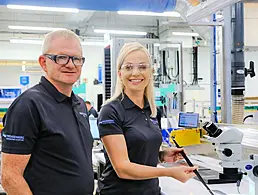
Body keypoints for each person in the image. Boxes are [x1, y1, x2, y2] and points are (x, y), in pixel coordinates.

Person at [1, 30, 94, 195]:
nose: (71, 64)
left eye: (76, 59)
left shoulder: (79, 104)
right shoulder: (28, 105)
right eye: (61, 57)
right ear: (43, 62)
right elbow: (10, 176)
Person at [97, 42, 197, 195]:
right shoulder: (111, 111)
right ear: (119, 73)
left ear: (151, 72)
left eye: (142, 67)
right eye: (128, 67)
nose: (136, 73)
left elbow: (137, 154)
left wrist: (161, 156)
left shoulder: (152, 110)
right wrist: (170, 173)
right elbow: (122, 168)